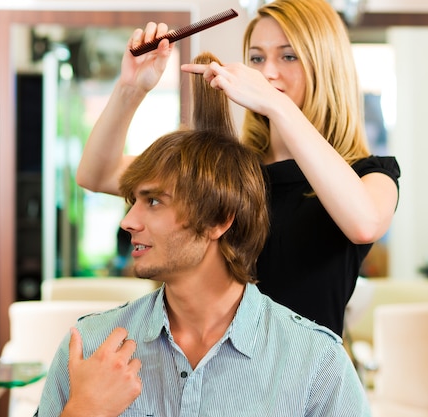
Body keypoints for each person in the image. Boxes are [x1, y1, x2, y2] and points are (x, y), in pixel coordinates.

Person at [36, 52, 371, 417]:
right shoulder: (91, 345)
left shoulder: (316, 365)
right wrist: (83, 411)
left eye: (154, 202)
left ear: (219, 220)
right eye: (133, 201)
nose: (128, 222)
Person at [76, 0, 400, 336]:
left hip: (306, 382)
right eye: (257, 58)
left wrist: (276, 104)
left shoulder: (368, 175)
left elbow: (365, 224)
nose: (267, 72)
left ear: (326, 66)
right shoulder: (229, 171)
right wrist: (132, 86)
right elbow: (96, 174)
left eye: (288, 56)